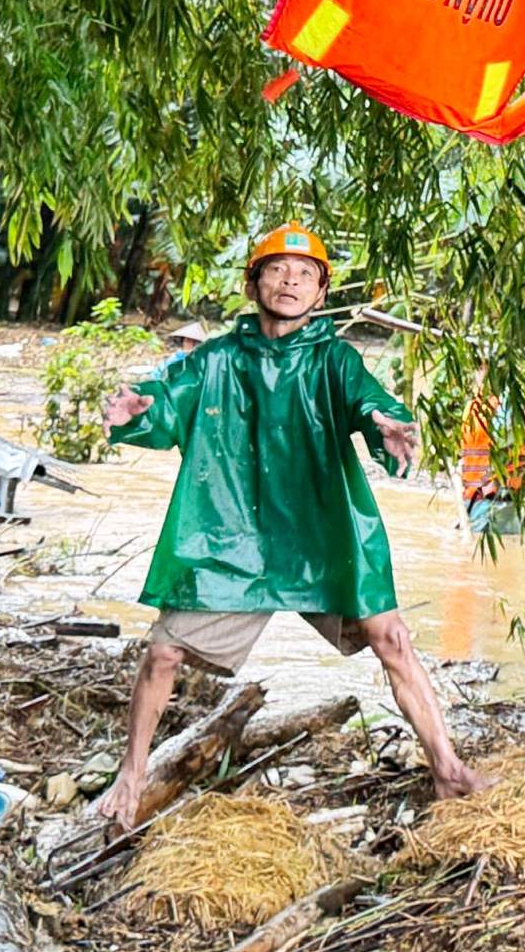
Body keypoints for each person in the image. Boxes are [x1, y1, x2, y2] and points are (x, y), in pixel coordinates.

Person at [94, 222, 488, 825]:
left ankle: (448, 769)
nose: (290, 280)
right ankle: (129, 778)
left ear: (321, 294)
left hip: (322, 530)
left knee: (394, 641)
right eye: (277, 269)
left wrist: (387, 425)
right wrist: (136, 409)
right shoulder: (216, 359)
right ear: (253, 283)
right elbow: (164, 400)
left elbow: (370, 403)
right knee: (162, 652)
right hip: (232, 536)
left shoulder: (335, 359)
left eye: (305, 273)